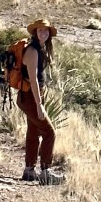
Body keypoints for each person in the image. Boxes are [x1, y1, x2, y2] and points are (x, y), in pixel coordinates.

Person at [19, 18, 61, 184]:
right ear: (35, 32)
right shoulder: (32, 51)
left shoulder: (40, 49)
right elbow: (33, 80)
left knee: (33, 133)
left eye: (46, 30)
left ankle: (29, 170)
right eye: (40, 30)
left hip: (30, 96)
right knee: (49, 133)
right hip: (30, 97)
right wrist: (39, 105)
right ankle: (46, 171)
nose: (43, 33)